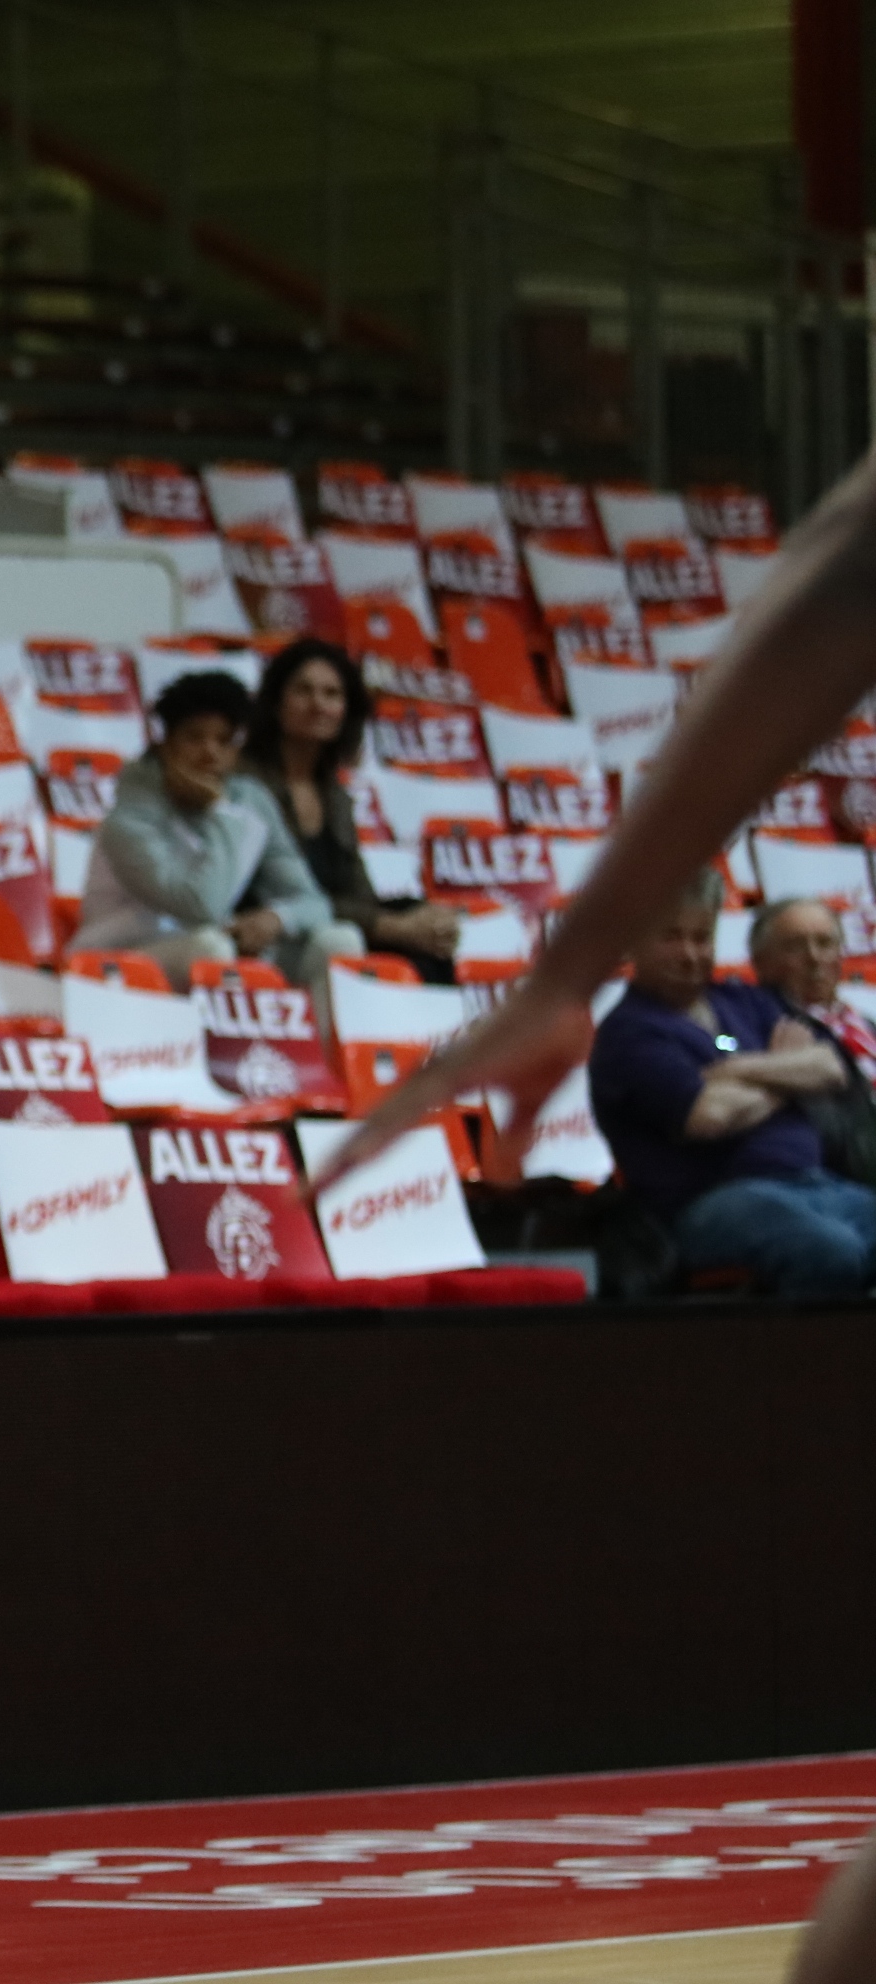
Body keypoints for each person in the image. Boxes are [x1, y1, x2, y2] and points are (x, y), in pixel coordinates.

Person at [319, 449, 876, 1984]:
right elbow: (852, 558)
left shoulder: (746, 1012)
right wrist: (574, 972)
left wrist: (574, 966)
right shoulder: (672, 1029)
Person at [586, 869, 869, 1293]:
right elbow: (709, 1116)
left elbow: (828, 1067)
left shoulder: (742, 1000)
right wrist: (784, 1071)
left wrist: (735, 1070)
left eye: (701, 938)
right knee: (833, 1251)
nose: (690, 953)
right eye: (672, 937)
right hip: (710, 1203)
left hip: (814, 1182)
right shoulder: (630, 1032)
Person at [70, 668, 366, 985]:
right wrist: (218, 811)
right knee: (211, 950)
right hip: (114, 957)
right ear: (165, 744)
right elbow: (202, 906)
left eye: (224, 740)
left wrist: (277, 919)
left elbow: (314, 902)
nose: (210, 752)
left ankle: (323, 1036)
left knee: (340, 940)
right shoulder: (129, 818)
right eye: (195, 737)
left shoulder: (250, 801)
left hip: (209, 943)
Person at [242, 637, 464, 981]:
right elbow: (288, 894)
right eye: (304, 690)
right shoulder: (248, 783)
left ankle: (437, 1034)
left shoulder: (335, 793)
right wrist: (393, 928)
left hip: (336, 918)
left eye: (332, 694)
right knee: (376, 935)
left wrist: (412, 922)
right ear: (275, 702)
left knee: (423, 925)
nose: (318, 704)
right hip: (278, 926)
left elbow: (358, 891)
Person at [747, 895, 876, 1184]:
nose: (815, 958)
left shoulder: (866, 1024)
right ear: (760, 962)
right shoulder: (762, 1032)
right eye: (795, 946)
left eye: (825, 943)